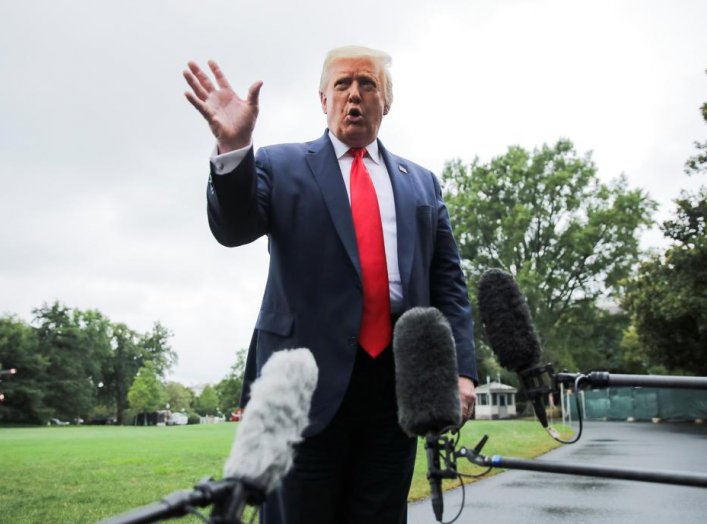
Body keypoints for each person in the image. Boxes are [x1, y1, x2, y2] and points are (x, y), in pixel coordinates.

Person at [183, 45, 478, 524]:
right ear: (323, 99)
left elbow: (449, 284)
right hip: (301, 390)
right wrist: (235, 149)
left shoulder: (422, 182)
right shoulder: (281, 165)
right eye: (342, 85)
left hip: (396, 392)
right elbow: (232, 228)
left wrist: (462, 371)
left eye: (368, 84)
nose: (354, 95)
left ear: (387, 101)